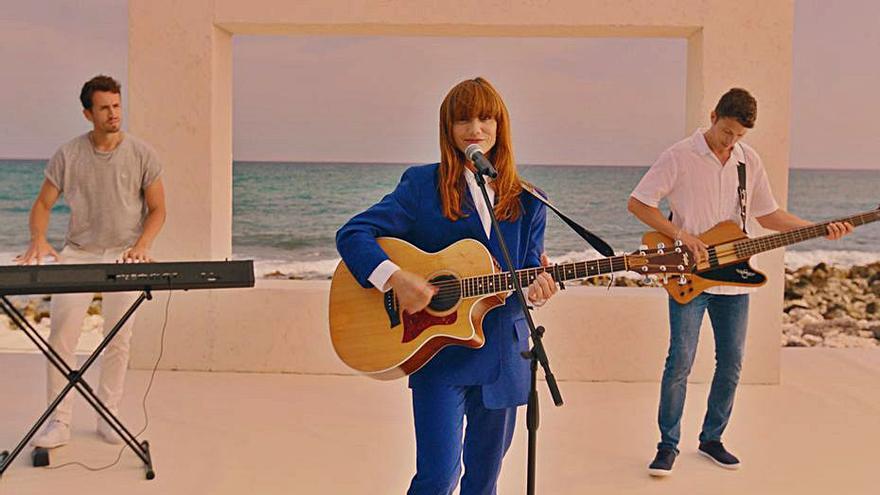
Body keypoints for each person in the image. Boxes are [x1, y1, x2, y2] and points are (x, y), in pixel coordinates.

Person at [336, 77, 557, 494]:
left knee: (483, 481)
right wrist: (396, 278)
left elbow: (528, 271)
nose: (475, 128)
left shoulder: (530, 200)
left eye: (485, 118)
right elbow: (354, 234)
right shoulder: (422, 186)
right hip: (438, 357)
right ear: (448, 129)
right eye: (463, 119)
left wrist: (538, 292)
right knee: (437, 479)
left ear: (500, 125)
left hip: (504, 358)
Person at [628, 88, 852, 476]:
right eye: (727, 131)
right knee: (679, 361)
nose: (731, 141)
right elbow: (638, 203)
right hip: (690, 276)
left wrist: (816, 229)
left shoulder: (748, 161)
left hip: (734, 280)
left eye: (740, 136)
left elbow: (768, 215)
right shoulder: (679, 156)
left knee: (731, 364)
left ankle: (712, 438)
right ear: (713, 115)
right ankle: (668, 445)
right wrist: (680, 235)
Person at [17, 74, 166, 448]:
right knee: (60, 339)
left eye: (117, 105)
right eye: (104, 108)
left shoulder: (142, 153)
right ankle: (59, 423)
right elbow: (43, 204)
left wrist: (143, 244)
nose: (113, 113)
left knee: (118, 339)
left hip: (124, 254)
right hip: (79, 253)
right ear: (88, 113)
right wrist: (38, 238)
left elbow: (159, 209)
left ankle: (108, 415)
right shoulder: (68, 155)